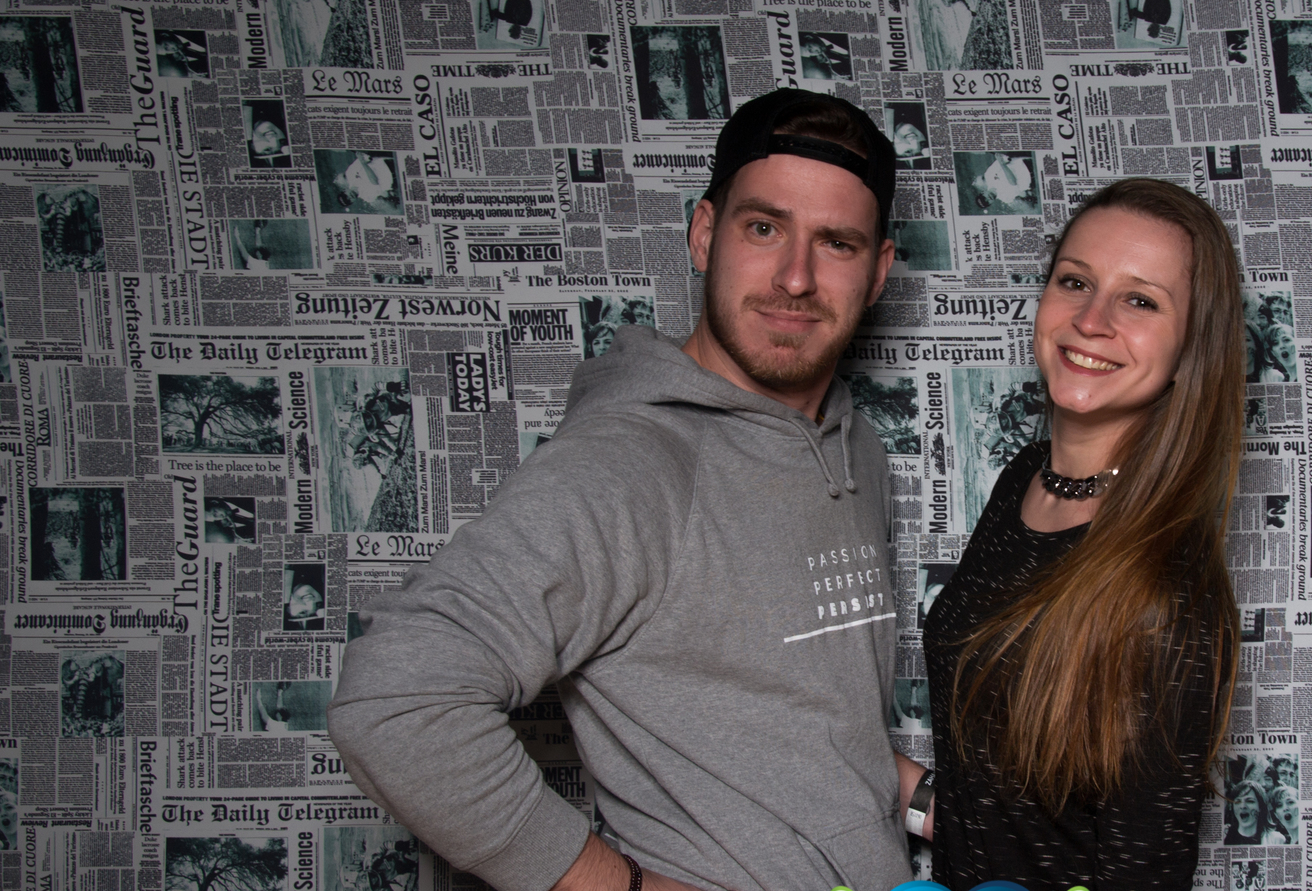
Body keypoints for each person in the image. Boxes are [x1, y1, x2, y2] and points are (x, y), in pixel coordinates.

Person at [329, 88, 912, 891]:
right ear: (704, 234)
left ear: (877, 272)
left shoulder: (857, 449)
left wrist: (937, 804)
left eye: (837, 244)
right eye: (764, 228)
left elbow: (805, 727)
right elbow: (396, 701)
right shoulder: (631, 464)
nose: (795, 277)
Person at [909, 178, 1244, 890]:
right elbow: (1008, 806)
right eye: (1075, 282)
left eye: (1140, 300)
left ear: (1191, 348)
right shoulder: (1024, 479)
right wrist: (850, 765)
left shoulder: (1169, 591)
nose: (1092, 320)